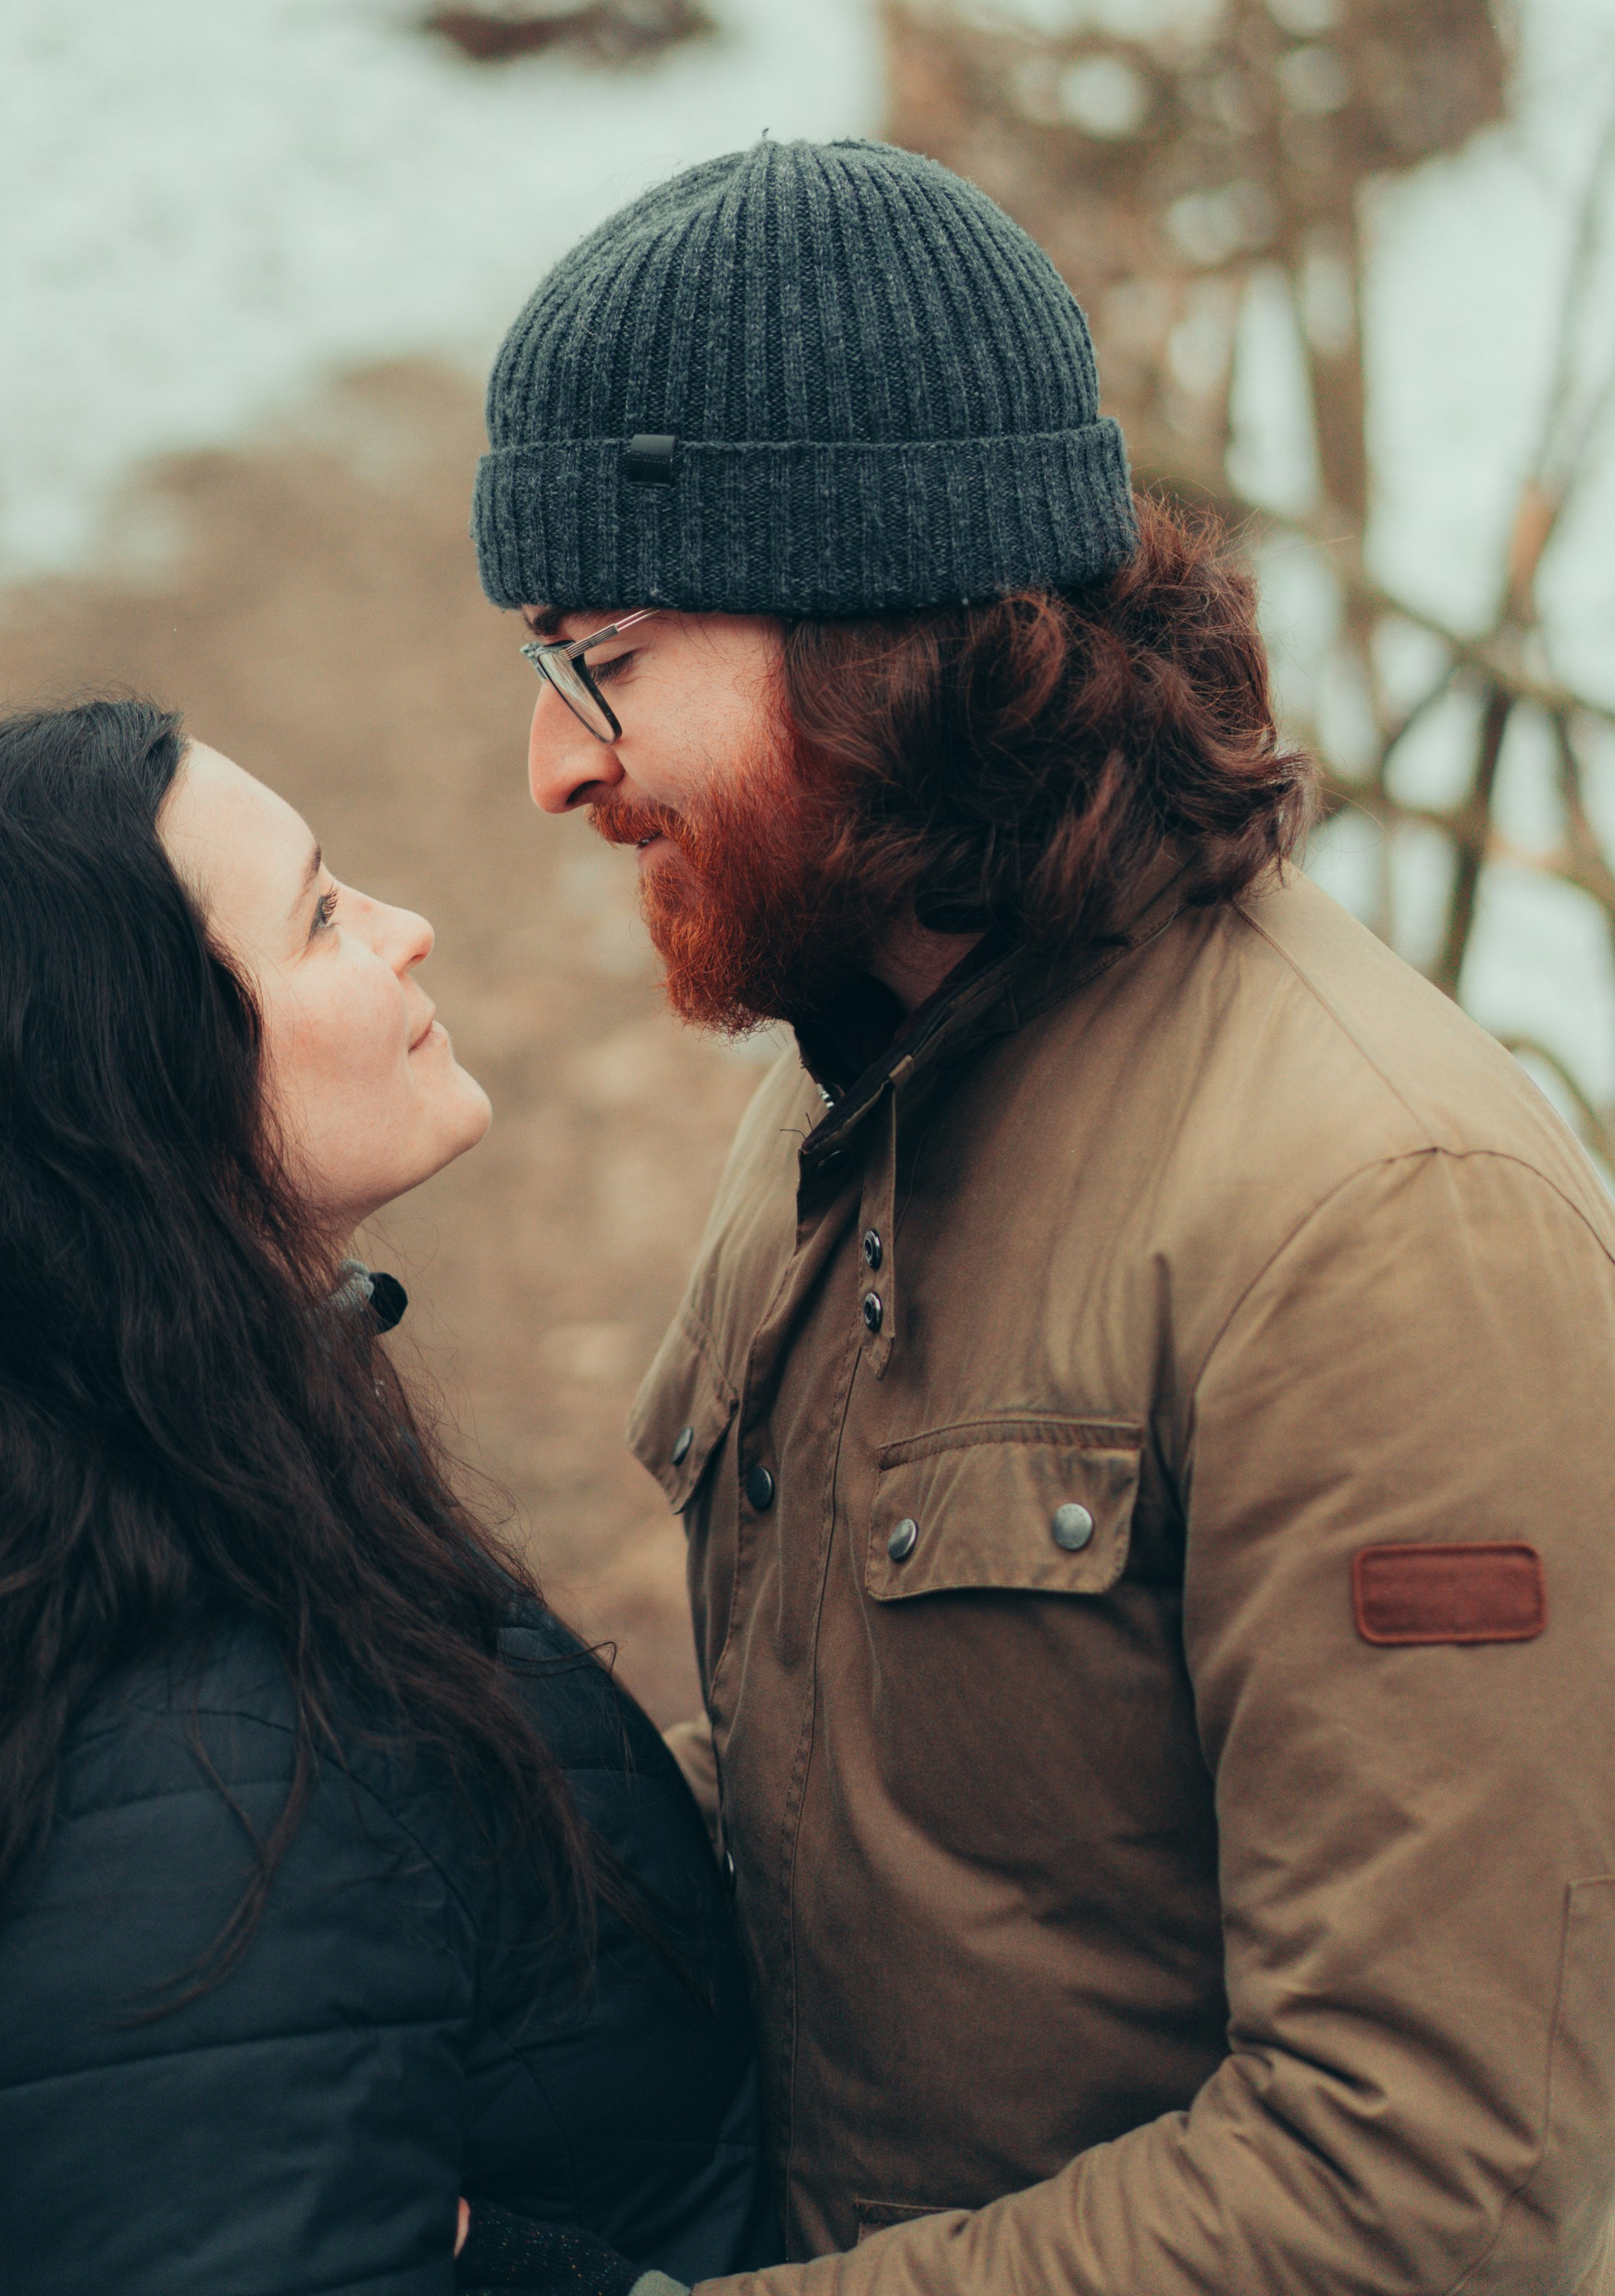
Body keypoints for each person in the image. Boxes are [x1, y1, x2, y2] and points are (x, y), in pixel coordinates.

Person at [474, 134, 1615, 2294]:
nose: (549, 762)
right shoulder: (864, 1064)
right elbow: (899, 1823)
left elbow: (1427, 2187)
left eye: (598, 652)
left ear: (886, 635)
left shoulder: (1382, 1222)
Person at [0, 701, 771, 2296]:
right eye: (319, 916)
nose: (403, 927)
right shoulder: (172, 1813)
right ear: (122, 1100)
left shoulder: (197, 1518)